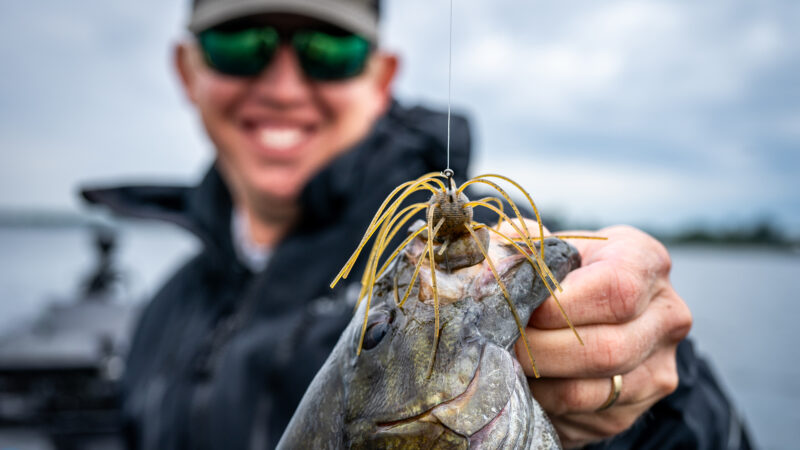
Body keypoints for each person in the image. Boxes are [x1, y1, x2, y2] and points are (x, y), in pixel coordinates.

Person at [82, 0, 752, 448]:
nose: (282, 84)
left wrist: (654, 393)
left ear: (382, 77)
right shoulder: (163, 310)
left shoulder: (494, 248)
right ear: (187, 71)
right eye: (239, 44)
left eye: (328, 50)